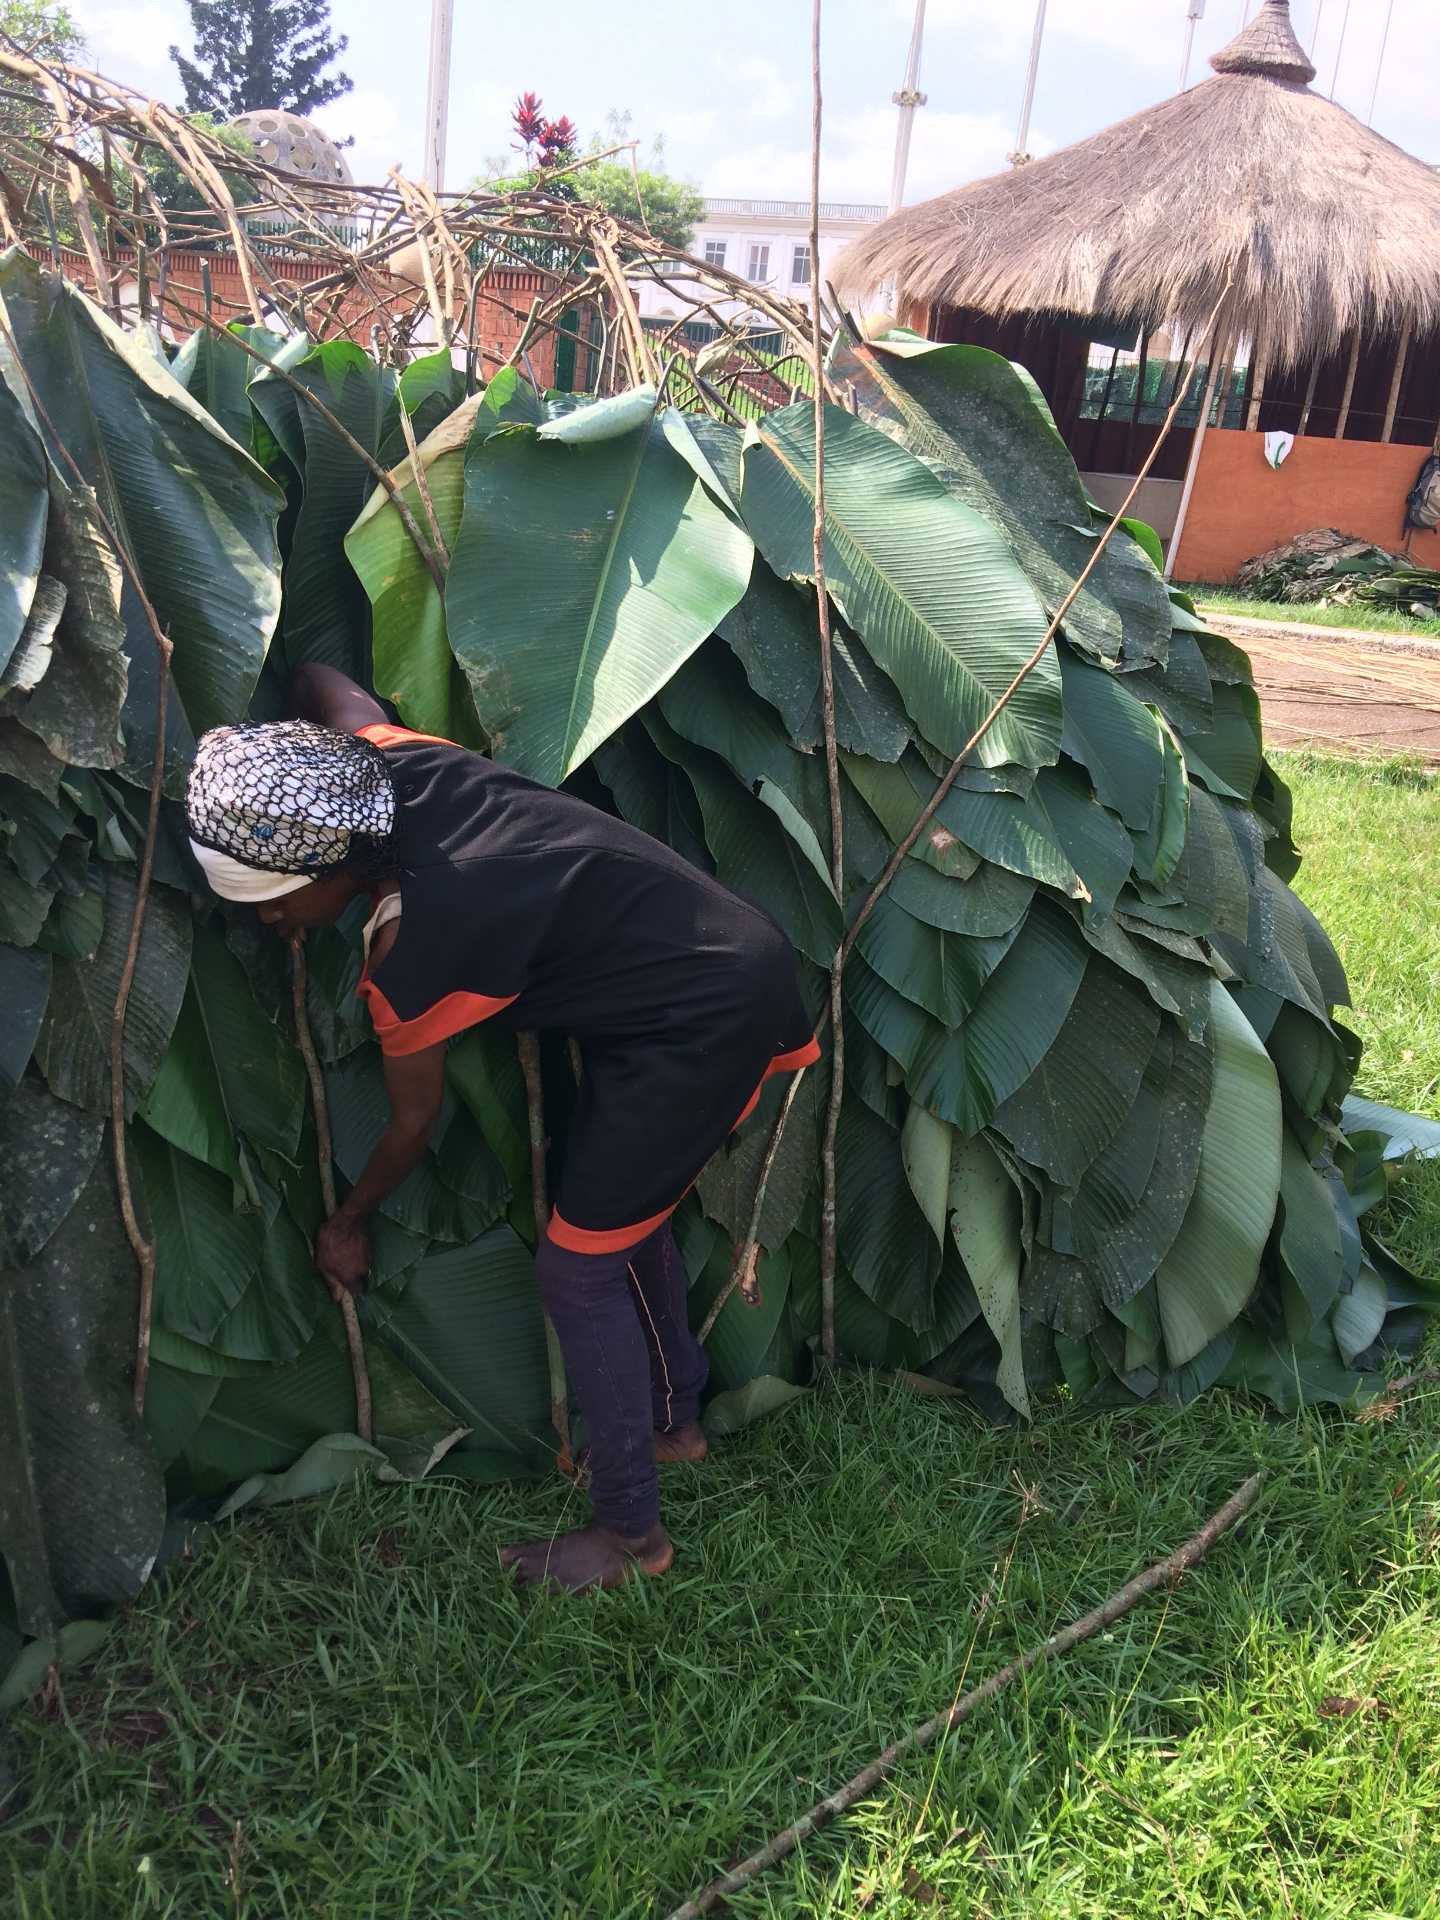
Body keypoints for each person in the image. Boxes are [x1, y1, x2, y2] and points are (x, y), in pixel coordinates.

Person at [183, 664, 819, 1592]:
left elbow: (413, 1121)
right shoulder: (377, 762)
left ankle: (631, 1537)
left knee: (577, 1268)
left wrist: (350, 1219)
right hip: (685, 969)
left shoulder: (413, 953)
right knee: (614, 1220)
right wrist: (275, 762)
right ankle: (673, 1423)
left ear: (328, 865)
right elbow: (325, 681)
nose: (274, 921)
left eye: (273, 900)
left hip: (704, 1013)